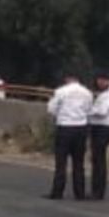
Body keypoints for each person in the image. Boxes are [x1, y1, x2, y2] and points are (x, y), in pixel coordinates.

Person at [46, 71, 93, 200]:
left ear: (67, 78)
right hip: (81, 128)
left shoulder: (61, 91)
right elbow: (89, 111)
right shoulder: (87, 93)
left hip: (65, 127)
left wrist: (60, 115)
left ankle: (57, 192)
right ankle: (80, 193)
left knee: (61, 162)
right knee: (78, 162)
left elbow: (51, 109)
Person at [88, 70, 109, 200]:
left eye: (103, 80)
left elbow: (102, 112)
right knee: (95, 159)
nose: (100, 82)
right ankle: (95, 189)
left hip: (103, 128)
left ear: (108, 81)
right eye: (99, 80)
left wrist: (88, 110)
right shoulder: (102, 93)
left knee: (99, 161)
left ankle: (98, 191)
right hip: (96, 127)